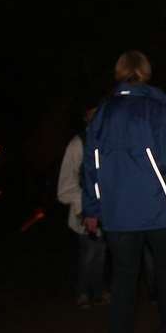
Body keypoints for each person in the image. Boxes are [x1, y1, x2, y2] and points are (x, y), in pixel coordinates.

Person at [80, 50, 166, 333]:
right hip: (158, 208)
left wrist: (92, 208)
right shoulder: (156, 111)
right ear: (145, 72)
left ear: (119, 73)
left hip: (118, 213)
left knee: (123, 276)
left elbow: (90, 166)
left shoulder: (103, 114)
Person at [57, 106, 106, 307]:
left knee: (101, 252)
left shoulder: (109, 139)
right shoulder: (78, 143)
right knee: (88, 252)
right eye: (91, 113)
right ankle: (83, 292)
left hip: (106, 210)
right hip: (85, 209)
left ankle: (98, 291)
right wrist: (81, 206)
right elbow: (65, 185)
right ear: (85, 117)